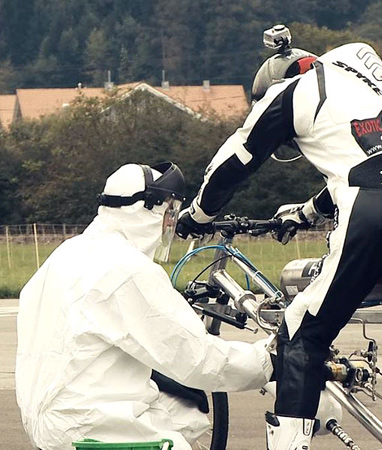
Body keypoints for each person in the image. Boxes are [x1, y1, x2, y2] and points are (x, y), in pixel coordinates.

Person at [176, 26, 382, 450]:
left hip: (373, 210)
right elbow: (368, 162)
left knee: (302, 333)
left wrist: (199, 212)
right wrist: (305, 212)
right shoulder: (374, 89)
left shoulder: (289, 91)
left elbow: (237, 159)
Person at [15, 162, 273, 450]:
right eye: (169, 213)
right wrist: (269, 361)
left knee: (186, 413)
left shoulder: (68, 252)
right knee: (182, 424)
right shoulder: (126, 269)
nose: (170, 224)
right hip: (89, 423)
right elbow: (197, 358)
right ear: (147, 210)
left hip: (49, 416)